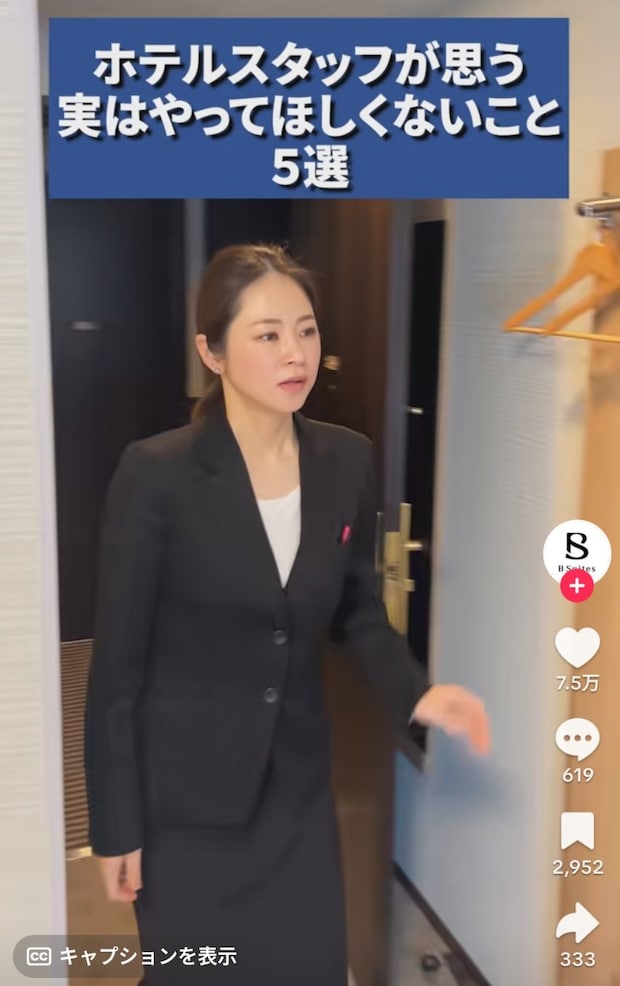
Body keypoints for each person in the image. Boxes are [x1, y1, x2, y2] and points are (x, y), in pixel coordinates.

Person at [84, 243, 490, 986]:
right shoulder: (158, 474)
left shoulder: (346, 460)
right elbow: (117, 674)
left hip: (298, 794)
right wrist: (116, 826)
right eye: (267, 334)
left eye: (305, 330)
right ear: (212, 351)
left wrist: (418, 692)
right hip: (186, 804)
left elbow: (357, 608)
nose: (295, 353)